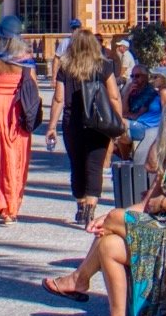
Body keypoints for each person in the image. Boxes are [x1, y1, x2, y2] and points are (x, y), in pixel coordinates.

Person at [41, 80, 166, 316]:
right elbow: (147, 203)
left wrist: (162, 205)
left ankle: (79, 279)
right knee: (108, 246)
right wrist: (108, 220)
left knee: (116, 218)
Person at [44, 27, 123, 230]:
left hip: (73, 123)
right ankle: (90, 208)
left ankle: (80, 205)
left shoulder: (65, 68)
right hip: (98, 122)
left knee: (77, 164)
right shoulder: (104, 66)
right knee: (95, 166)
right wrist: (118, 121)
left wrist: (51, 125)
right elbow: (114, 96)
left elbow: (59, 98)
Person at [0, 31, 34, 222]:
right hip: (17, 107)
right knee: (16, 155)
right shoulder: (25, 59)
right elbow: (32, 85)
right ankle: (11, 208)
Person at [116, 64, 162, 167]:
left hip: (147, 128)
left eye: (137, 76)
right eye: (132, 76)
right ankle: (126, 161)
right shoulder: (134, 91)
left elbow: (135, 115)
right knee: (116, 126)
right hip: (137, 124)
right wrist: (127, 93)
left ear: (145, 77)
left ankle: (112, 163)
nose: (134, 79)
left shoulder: (149, 93)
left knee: (118, 123)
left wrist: (126, 115)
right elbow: (124, 111)